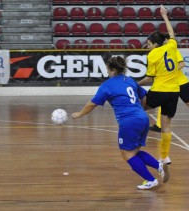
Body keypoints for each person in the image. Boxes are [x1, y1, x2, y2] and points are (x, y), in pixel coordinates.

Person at [71, 56, 169, 190]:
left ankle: (150, 179)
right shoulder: (129, 80)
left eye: (107, 69)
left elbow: (92, 103)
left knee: (127, 154)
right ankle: (158, 166)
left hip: (129, 122)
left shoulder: (107, 85)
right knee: (134, 152)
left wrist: (79, 114)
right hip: (143, 118)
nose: (106, 72)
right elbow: (144, 96)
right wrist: (140, 109)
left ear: (112, 69)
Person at [138, 5, 180, 168]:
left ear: (154, 44)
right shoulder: (171, 46)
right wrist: (165, 16)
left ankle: (135, 142)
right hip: (174, 92)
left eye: (148, 43)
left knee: (137, 108)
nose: (147, 46)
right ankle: (165, 157)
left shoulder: (153, 55)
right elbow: (171, 34)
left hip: (160, 90)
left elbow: (149, 78)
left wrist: (135, 84)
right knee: (166, 125)